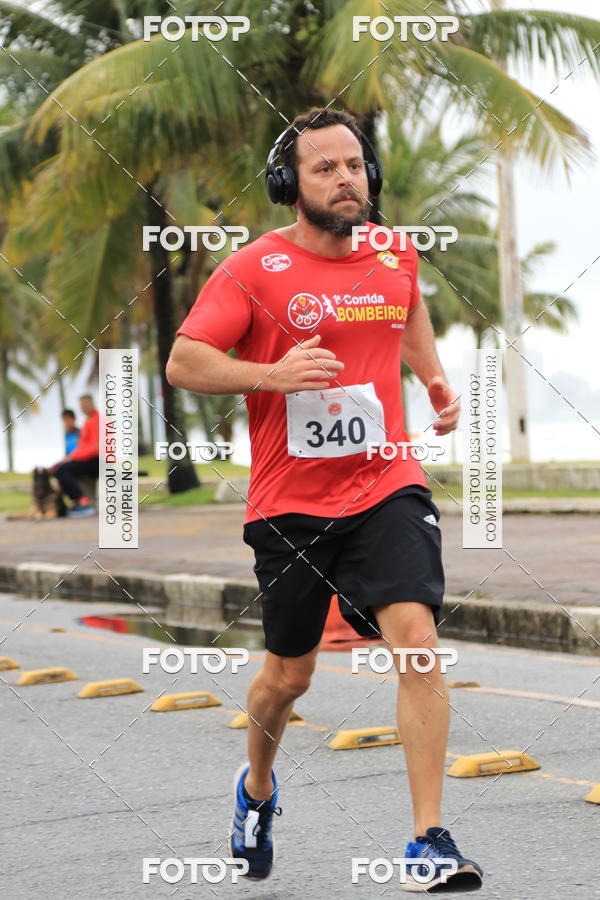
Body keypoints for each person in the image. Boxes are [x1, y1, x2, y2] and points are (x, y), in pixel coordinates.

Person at [166, 108, 483, 892]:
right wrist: (268, 375)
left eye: (355, 165)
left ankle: (428, 839)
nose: (347, 179)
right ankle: (259, 789)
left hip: (387, 483)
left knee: (416, 639)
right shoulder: (251, 271)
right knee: (290, 676)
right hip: (291, 504)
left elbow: (405, 316)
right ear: (289, 186)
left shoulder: (394, 254)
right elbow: (184, 360)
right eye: (325, 169)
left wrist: (435, 383)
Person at [51, 394, 99, 517]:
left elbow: (96, 447)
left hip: (98, 460)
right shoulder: (88, 421)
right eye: (82, 405)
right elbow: (82, 448)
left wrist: (73, 457)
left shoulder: (97, 421)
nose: (84, 407)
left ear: (92, 404)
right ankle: (77, 502)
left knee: (61, 470)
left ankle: (83, 503)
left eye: (86, 404)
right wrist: (71, 457)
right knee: (58, 469)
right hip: (88, 459)